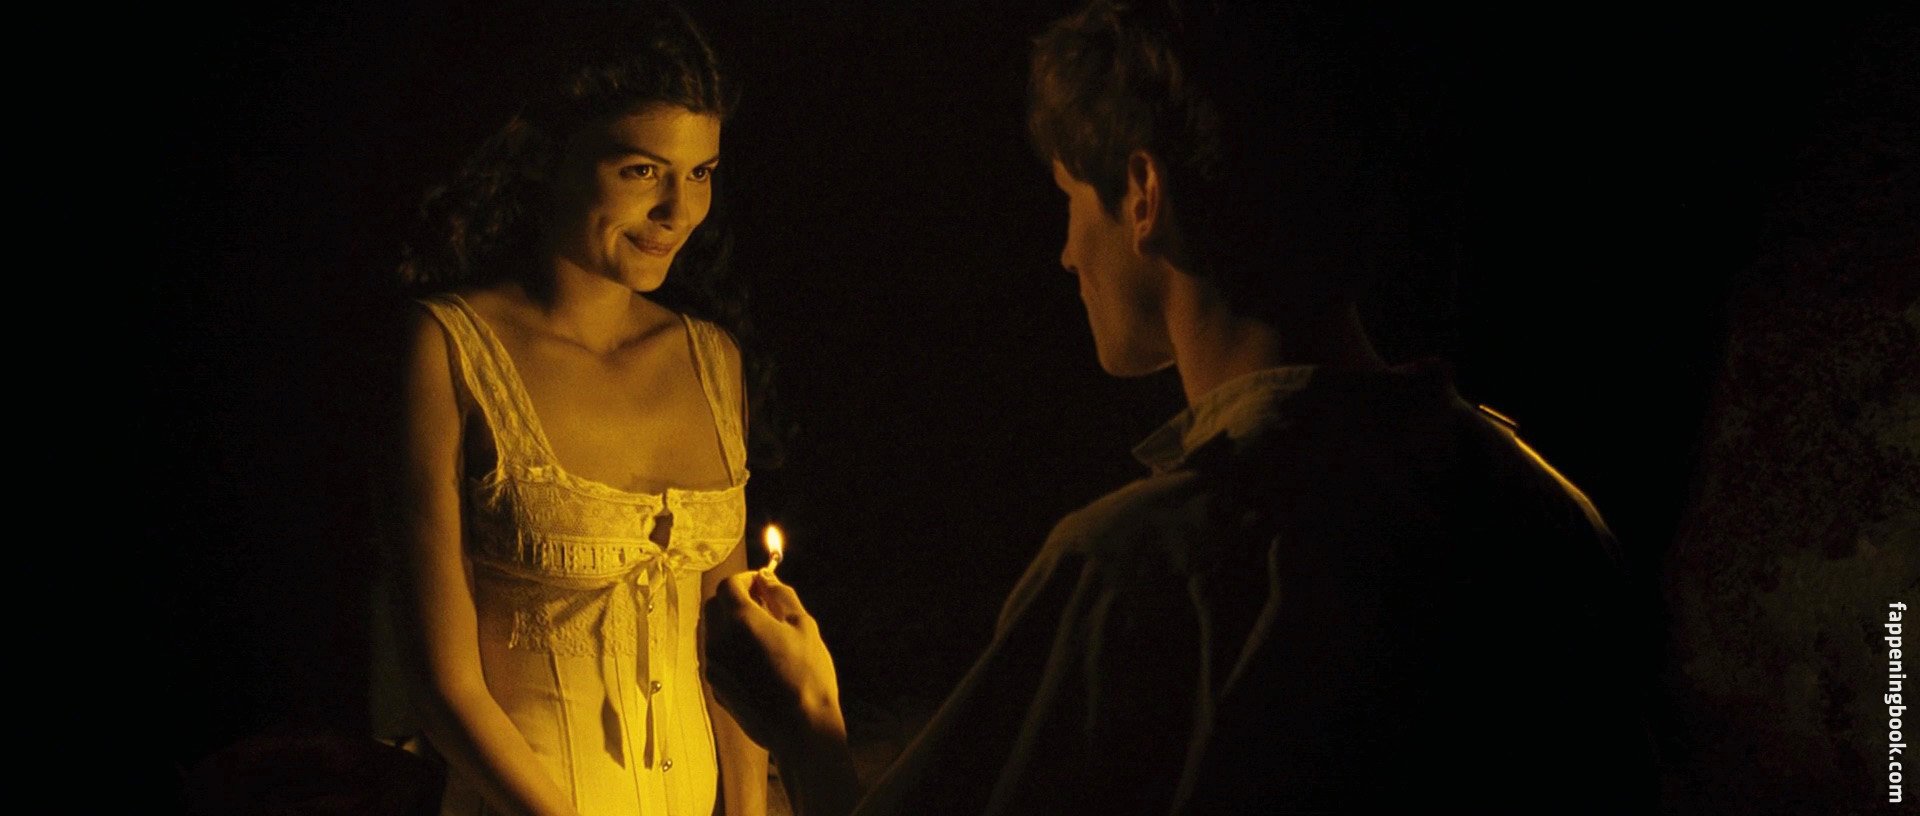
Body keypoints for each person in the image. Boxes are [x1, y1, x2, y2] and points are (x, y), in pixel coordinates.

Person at [701, 1, 1654, 814]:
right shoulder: (1547, 512)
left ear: (1144, 193)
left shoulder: (1144, 572)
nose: (1066, 253)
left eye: (1071, 199)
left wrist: (808, 727)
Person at [376, 6, 767, 815]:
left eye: (700, 173)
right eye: (641, 171)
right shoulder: (449, 348)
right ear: (550, 157)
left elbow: (733, 658)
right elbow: (443, 683)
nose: (678, 211)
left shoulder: (710, 360)